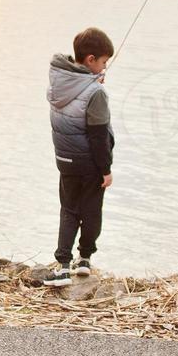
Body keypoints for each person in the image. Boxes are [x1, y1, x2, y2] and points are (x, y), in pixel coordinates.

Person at [44, 27, 115, 287]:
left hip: (65, 159)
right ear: (90, 60)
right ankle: (84, 259)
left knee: (69, 210)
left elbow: (77, 95)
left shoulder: (60, 83)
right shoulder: (96, 93)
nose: (105, 67)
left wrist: (91, 81)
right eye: (104, 62)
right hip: (90, 164)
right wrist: (105, 169)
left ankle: (62, 266)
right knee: (92, 211)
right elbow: (97, 135)